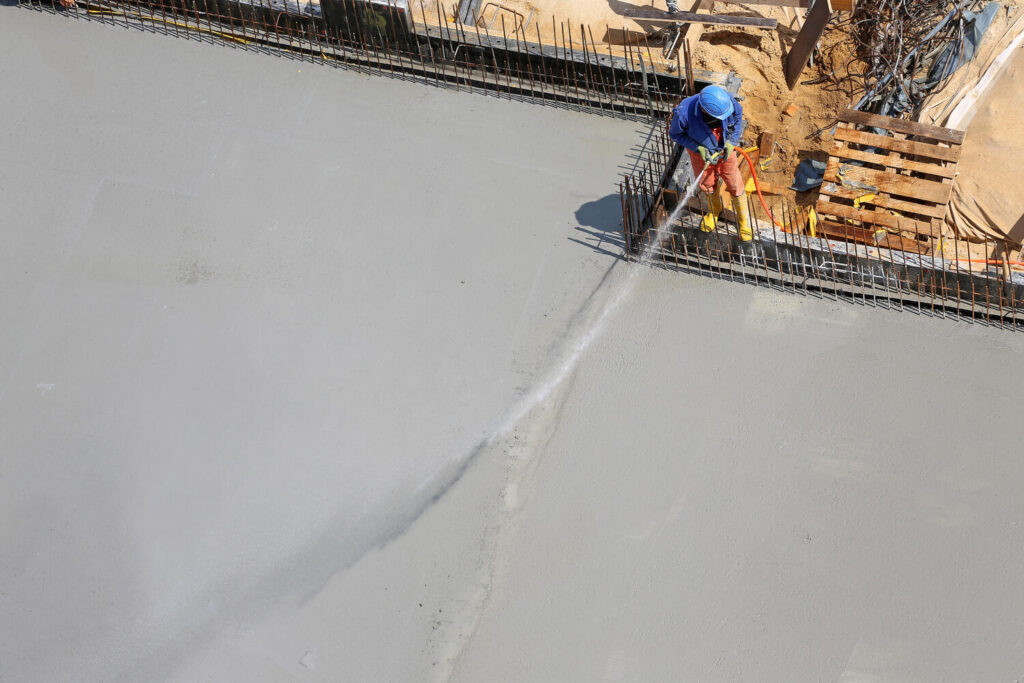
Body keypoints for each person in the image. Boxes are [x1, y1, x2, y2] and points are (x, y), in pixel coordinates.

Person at [668, 84, 752, 242]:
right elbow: (675, 134)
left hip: (725, 150)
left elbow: (737, 114)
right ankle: (714, 211)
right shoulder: (683, 113)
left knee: (734, 182)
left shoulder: (725, 101)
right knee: (707, 184)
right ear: (705, 110)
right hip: (700, 153)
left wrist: (731, 141)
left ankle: (743, 220)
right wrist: (697, 148)